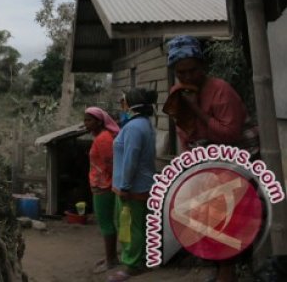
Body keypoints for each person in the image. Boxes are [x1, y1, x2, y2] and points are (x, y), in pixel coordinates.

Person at [165, 35, 258, 282]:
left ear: (203, 66)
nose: (186, 77)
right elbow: (186, 135)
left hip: (239, 156)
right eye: (180, 72)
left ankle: (227, 271)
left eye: (192, 70)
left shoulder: (220, 91)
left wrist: (195, 108)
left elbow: (229, 135)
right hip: (207, 158)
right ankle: (217, 266)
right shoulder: (179, 94)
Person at [108, 88, 157, 282]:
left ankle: (132, 265)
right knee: (137, 225)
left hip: (133, 186)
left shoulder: (134, 127)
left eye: (123, 102)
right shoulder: (142, 124)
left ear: (130, 104)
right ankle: (140, 259)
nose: (122, 105)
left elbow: (131, 158)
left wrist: (125, 186)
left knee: (131, 226)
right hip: (137, 184)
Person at [83, 106, 120, 274]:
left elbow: (111, 164)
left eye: (89, 120)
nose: (85, 124)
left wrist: (114, 183)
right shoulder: (101, 137)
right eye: (85, 120)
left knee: (106, 223)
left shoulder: (103, 139)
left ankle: (111, 261)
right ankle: (110, 257)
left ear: (99, 122)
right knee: (105, 222)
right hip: (101, 185)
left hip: (104, 186)